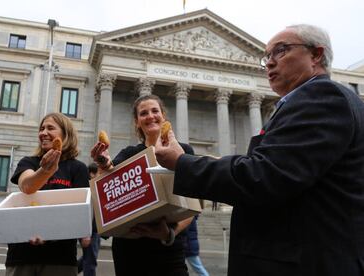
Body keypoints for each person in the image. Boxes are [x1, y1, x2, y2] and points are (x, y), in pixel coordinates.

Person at [155, 24, 364, 276]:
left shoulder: (322, 97)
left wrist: (182, 162)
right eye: (267, 56)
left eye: (281, 51)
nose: (270, 63)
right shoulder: (313, 101)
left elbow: (265, 175)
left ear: (316, 55)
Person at [91, 94, 194, 276]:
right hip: (130, 249)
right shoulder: (129, 154)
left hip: (168, 249)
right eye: (143, 113)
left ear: (163, 116)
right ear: (137, 122)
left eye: (155, 111)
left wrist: (168, 234)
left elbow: (193, 202)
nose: (150, 116)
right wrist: (104, 163)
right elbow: (107, 184)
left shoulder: (182, 151)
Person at [6, 112, 89, 276]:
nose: (43, 133)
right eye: (41, 128)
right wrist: (45, 171)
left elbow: (80, 211)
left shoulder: (78, 168)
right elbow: (27, 186)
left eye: (50, 128)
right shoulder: (29, 162)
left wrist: (51, 233)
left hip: (60, 258)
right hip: (22, 255)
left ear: (65, 134)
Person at [78, 163, 100, 276]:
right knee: (90, 261)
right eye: (99, 173)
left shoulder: (95, 187)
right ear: (91, 174)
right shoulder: (87, 189)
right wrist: (86, 233)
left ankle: (71, 270)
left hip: (95, 229)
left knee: (90, 258)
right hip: (90, 229)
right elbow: (85, 211)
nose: (101, 175)